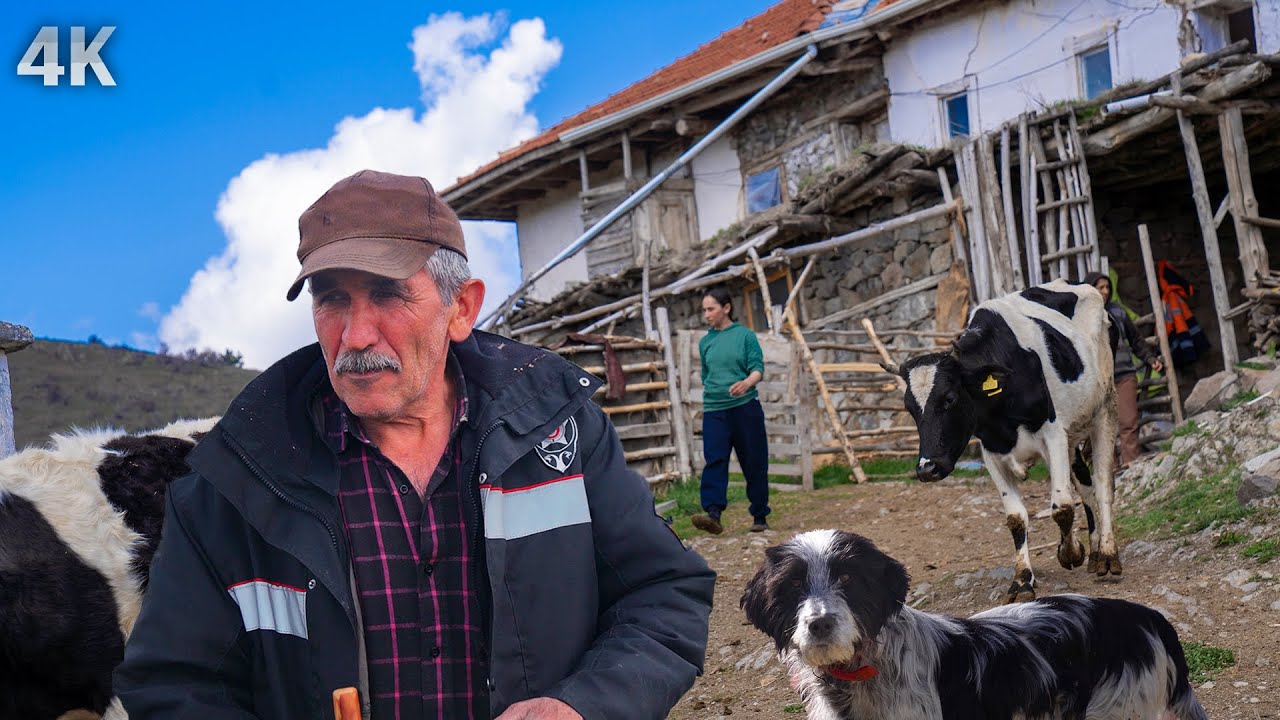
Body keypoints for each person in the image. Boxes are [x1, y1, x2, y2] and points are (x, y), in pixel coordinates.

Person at [115, 170, 715, 720]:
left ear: (462, 307)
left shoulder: (556, 431)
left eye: (387, 294)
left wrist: (581, 706)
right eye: (332, 299)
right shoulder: (237, 479)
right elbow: (172, 685)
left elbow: (661, 593)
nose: (356, 335)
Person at [690, 287, 771, 535]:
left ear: (726, 308)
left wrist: (746, 383)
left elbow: (757, 369)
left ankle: (759, 515)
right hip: (715, 410)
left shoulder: (745, 336)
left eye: (711, 309)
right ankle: (713, 513)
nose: (707, 314)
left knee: (753, 460)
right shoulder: (705, 342)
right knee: (715, 459)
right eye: (704, 310)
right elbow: (707, 375)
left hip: (745, 408)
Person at [1086, 271, 1164, 469]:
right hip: (1099, 380)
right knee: (1104, 428)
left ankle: (1131, 467)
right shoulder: (1082, 317)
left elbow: (1136, 340)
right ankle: (1110, 471)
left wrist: (1149, 358)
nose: (1105, 291)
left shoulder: (1118, 312)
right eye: (1100, 287)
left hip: (1124, 376)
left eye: (1107, 287)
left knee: (1128, 422)